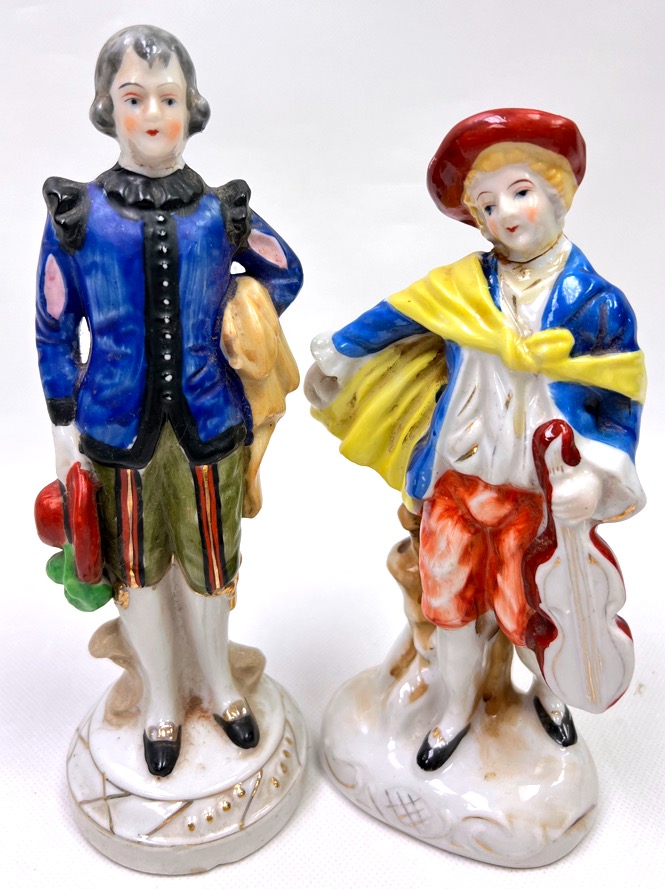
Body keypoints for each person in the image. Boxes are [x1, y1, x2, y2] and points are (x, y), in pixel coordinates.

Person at [307, 108, 644, 771]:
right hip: (458, 482)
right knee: (450, 609)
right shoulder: (463, 289)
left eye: (519, 191)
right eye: (486, 205)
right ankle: (455, 708)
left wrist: (596, 475)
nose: (504, 214)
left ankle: (550, 694)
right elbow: (398, 314)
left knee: (535, 611)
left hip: (536, 492)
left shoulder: (597, 304)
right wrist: (341, 352)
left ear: (557, 193)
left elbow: (620, 401)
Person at [36, 25, 303, 777]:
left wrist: (241, 316)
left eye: (168, 98)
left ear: (191, 108)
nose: (152, 114)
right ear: (107, 108)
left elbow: (284, 271)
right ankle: (160, 697)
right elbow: (53, 327)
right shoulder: (79, 217)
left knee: (212, 564)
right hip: (115, 428)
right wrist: (62, 423)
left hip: (209, 422)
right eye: (134, 98)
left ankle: (218, 684)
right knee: (138, 571)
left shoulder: (220, 213)